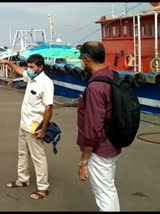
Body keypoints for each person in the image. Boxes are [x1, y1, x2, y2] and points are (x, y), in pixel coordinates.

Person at [0, 54, 54, 200]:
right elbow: (19, 70)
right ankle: (23, 179)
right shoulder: (31, 77)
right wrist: (8, 64)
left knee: (38, 157)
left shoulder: (46, 83)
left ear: (40, 67)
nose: (28, 69)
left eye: (31, 67)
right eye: (28, 66)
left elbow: (48, 108)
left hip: (35, 126)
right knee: (22, 152)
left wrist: (43, 129)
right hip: (24, 123)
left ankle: (43, 188)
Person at [77, 41, 121, 211]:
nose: (81, 62)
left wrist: (84, 160)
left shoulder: (95, 87)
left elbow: (94, 128)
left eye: (81, 59)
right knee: (109, 190)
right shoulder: (111, 76)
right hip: (113, 144)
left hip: (100, 149)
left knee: (104, 195)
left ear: (87, 59)